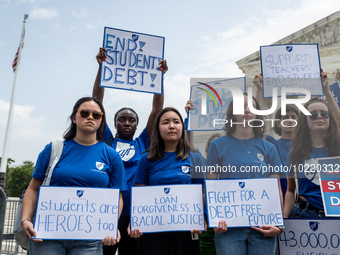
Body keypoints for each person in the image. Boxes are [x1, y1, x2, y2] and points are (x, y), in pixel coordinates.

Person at [21, 97, 127, 255]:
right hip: (46, 237)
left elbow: (117, 197)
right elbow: (33, 189)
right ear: (74, 118)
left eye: (96, 115)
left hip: (89, 241)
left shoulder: (112, 156)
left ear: (101, 121)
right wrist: (26, 219)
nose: (90, 117)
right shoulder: (53, 149)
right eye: (84, 113)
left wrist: (110, 226)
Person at [93, 47, 168, 255]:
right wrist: (101, 67)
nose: (127, 123)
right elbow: (97, 103)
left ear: (137, 124)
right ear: (115, 123)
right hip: (108, 211)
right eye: (122, 119)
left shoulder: (143, 143)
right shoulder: (107, 141)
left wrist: (159, 77)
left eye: (131, 120)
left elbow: (157, 109)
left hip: (136, 214)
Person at [206, 94, 284, 255]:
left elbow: (276, 190)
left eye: (252, 106)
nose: (247, 110)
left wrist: (279, 225)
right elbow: (210, 187)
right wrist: (214, 220)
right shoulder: (216, 145)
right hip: (228, 229)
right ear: (233, 113)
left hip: (263, 227)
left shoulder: (269, 148)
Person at [130, 107, 204, 255]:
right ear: (158, 128)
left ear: (182, 127)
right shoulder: (146, 159)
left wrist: (201, 219)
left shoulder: (195, 157)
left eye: (176, 122)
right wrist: (136, 221)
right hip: (153, 232)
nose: (171, 126)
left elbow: (201, 192)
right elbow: (139, 194)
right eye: (165, 122)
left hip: (186, 230)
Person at [283, 72, 340, 219]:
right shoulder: (295, 153)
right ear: (305, 121)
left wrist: (326, 90)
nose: (319, 116)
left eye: (324, 114)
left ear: (330, 119)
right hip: (305, 213)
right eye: (313, 114)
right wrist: (283, 223)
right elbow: (290, 190)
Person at [253, 74, 300, 198]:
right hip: (281, 197)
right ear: (278, 123)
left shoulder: (309, 144)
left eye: (293, 117)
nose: (289, 120)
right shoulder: (272, 144)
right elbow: (256, 124)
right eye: (285, 117)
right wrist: (259, 90)